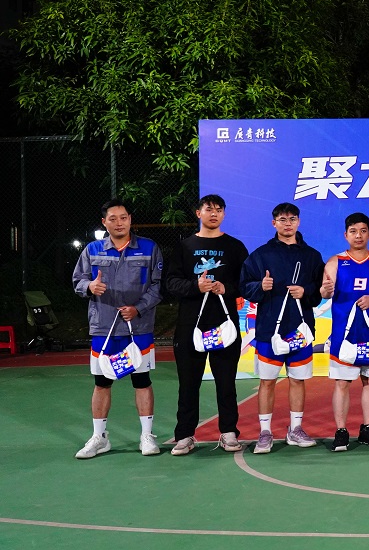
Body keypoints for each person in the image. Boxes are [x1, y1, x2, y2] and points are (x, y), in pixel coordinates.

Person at [73, 199, 164, 459]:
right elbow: (78, 280)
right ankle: (99, 438)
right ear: (104, 223)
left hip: (138, 327)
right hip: (104, 327)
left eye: (123, 217)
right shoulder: (92, 250)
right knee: (102, 382)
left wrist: (138, 308)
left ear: (130, 219)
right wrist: (89, 287)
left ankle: (146, 436)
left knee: (142, 381)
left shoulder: (149, 248)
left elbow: (158, 285)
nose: (119, 223)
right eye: (112, 219)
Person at [165, 194, 249, 455]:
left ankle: (228, 432)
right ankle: (185, 435)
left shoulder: (235, 247)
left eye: (219, 210)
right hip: (190, 326)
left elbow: (246, 283)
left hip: (224, 326)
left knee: (226, 383)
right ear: (198, 213)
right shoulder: (185, 246)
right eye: (208, 209)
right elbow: (170, 283)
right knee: (188, 384)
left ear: (224, 214)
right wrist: (195, 286)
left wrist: (227, 288)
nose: (214, 213)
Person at [240, 202, 325, 454]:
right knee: (267, 382)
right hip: (269, 330)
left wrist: (305, 291)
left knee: (297, 381)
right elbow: (245, 287)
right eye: (282, 219)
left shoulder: (312, 256)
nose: (288, 224)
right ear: (273, 223)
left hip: (300, 330)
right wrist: (260, 287)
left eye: (292, 219)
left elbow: (318, 291)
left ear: (298, 222)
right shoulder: (261, 255)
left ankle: (295, 429)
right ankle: (265, 432)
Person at [319, 212, 369, 452]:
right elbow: (324, 293)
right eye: (353, 231)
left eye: (363, 231)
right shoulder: (335, 262)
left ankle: (367, 428)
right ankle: (341, 431)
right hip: (344, 333)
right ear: (345, 235)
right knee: (342, 382)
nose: (358, 235)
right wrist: (326, 291)